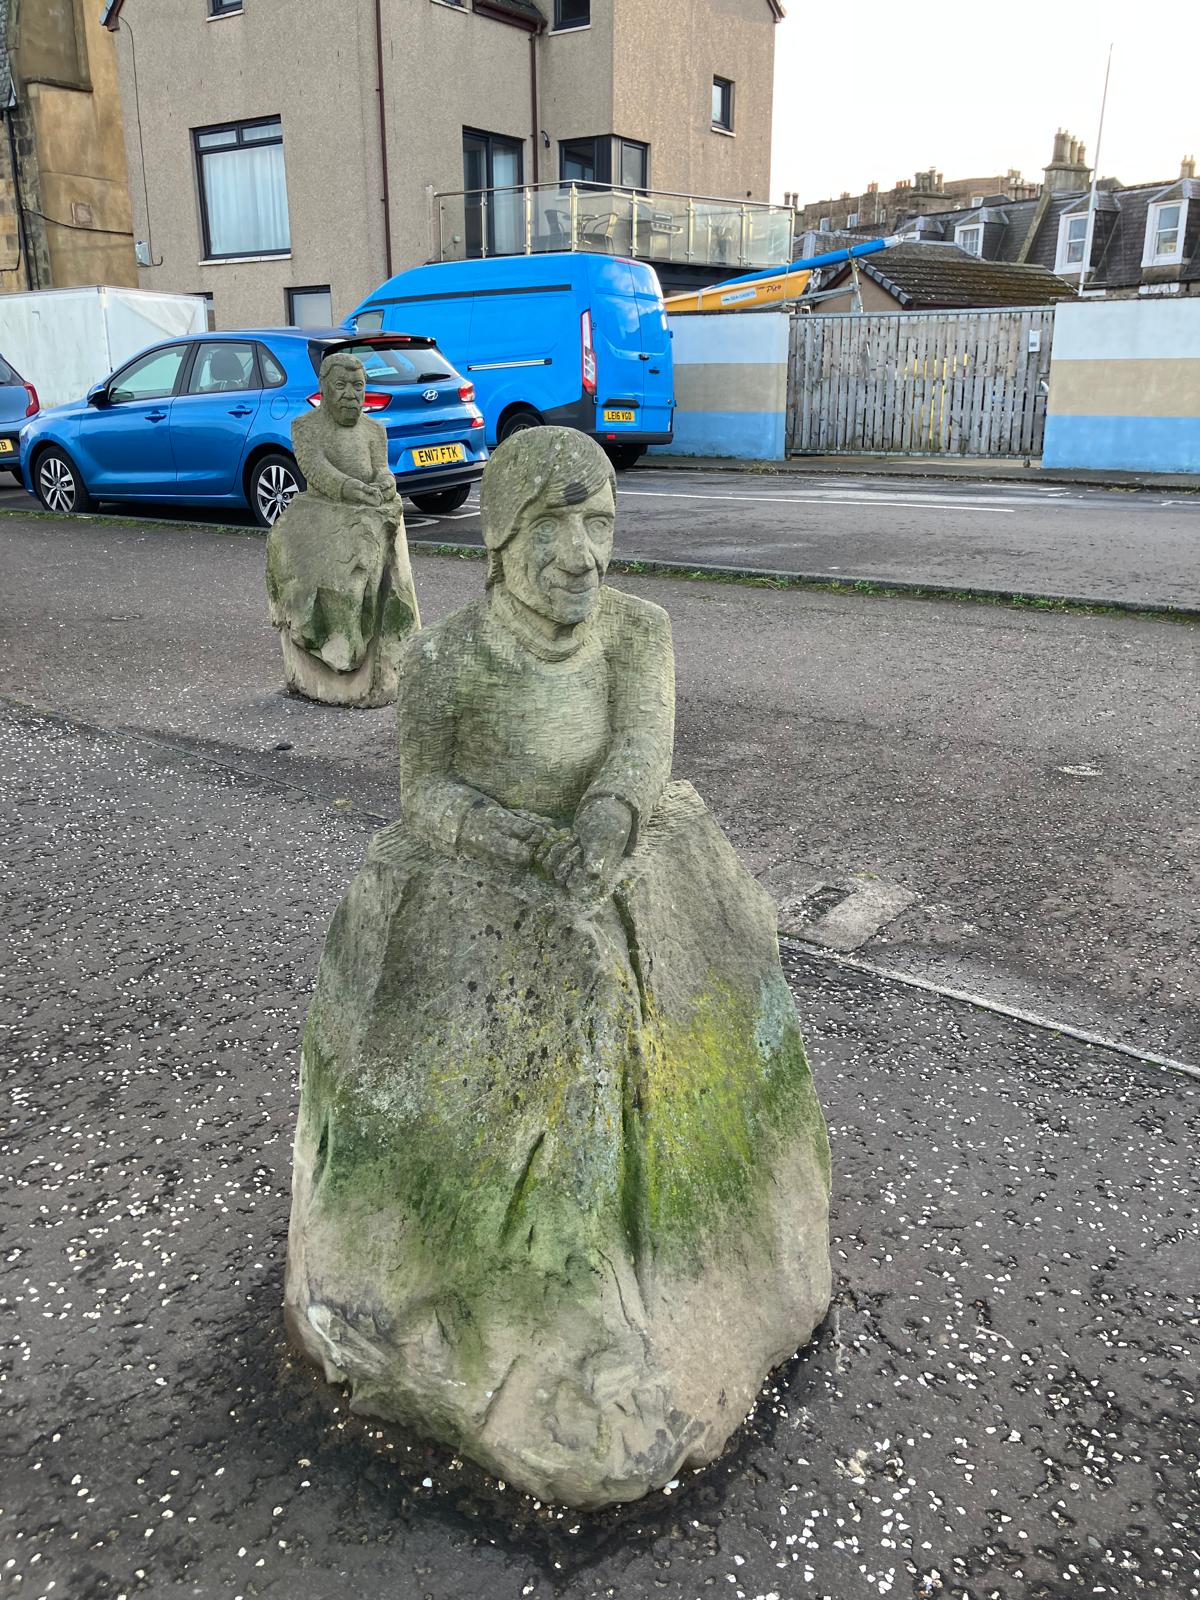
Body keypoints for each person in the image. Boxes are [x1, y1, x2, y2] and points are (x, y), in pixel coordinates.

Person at [284, 426, 831, 1508]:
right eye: (555, 525)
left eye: (601, 524)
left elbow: (642, 747)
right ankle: (466, 1282)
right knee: (518, 1006)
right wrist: (512, 841)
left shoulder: (637, 632)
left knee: (616, 991)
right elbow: (426, 795)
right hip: (479, 877)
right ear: (499, 536)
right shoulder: (446, 661)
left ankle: (658, 1287)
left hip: (615, 855)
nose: (583, 554)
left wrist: (609, 818)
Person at [265, 352, 419, 706]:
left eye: (358, 386)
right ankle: (337, 638)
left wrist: (385, 483)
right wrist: (351, 489)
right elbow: (316, 469)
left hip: (370, 510)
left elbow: (382, 469)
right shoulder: (306, 427)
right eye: (341, 386)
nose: (351, 394)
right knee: (348, 561)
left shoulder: (373, 430)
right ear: (324, 389)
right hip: (325, 511)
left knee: (379, 532)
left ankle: (380, 649)